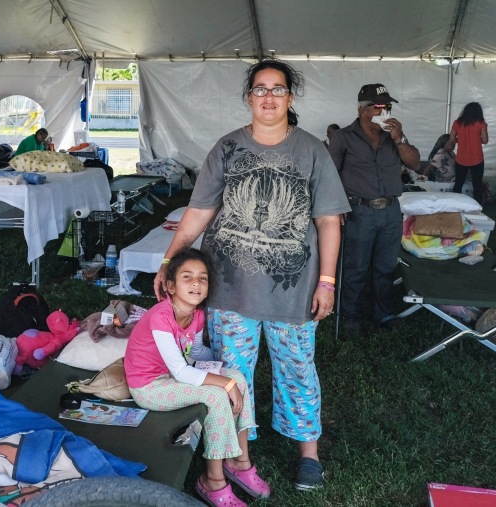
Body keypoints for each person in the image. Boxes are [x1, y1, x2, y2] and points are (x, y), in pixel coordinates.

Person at [153, 58, 350, 491]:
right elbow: (199, 213)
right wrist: (170, 261)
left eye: (277, 89)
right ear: (248, 97)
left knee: (298, 367)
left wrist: (327, 281)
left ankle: (308, 455)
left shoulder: (312, 150)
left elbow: (329, 222)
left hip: (292, 290)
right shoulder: (226, 148)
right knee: (233, 373)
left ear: (290, 97)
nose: (268, 97)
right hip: (229, 288)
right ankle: (240, 457)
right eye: (260, 89)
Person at [125, 248, 270, 506]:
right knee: (215, 394)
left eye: (203, 278)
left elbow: (198, 352)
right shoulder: (161, 316)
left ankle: (239, 462)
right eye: (187, 277)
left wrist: (225, 369)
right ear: (170, 286)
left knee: (238, 376)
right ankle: (212, 482)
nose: (196, 283)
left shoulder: (196, 314)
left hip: (173, 375)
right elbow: (181, 370)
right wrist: (223, 382)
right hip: (149, 386)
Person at [328, 83, 420, 332]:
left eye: (386, 106)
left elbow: (415, 163)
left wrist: (399, 139)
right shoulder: (343, 137)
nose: (384, 111)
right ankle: (351, 314)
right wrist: (337, 207)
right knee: (355, 267)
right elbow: (330, 175)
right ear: (362, 109)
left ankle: (384, 314)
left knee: (386, 267)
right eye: (378, 106)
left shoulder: (393, 138)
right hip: (359, 211)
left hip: (390, 210)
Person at [448, 102, 489, 205]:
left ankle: (455, 205)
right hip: (477, 158)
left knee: (458, 184)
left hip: (461, 159)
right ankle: (478, 208)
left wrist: (461, 140)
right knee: (477, 185)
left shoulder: (457, 123)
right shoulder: (481, 123)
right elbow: (485, 140)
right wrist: (475, 139)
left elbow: (452, 139)